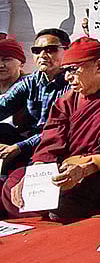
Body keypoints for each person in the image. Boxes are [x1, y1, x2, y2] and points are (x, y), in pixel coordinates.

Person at [2, 37, 100, 220]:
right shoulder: (66, 101)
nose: (67, 77)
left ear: (99, 66)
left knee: (69, 203)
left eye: (73, 70)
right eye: (66, 71)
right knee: (15, 182)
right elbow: (50, 143)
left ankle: (52, 208)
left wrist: (86, 168)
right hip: (67, 168)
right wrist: (37, 176)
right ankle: (47, 205)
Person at [0, 29, 71, 178]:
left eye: (50, 49)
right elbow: (3, 105)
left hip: (57, 145)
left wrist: (19, 147)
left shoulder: (73, 83)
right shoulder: (31, 81)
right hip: (29, 142)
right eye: (37, 50)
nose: (42, 55)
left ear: (67, 51)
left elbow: (60, 130)